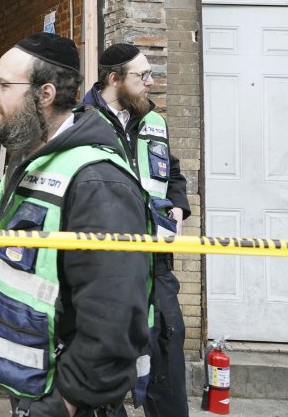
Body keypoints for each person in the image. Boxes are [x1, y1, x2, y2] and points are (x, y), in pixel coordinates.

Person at [0, 33, 151, 417]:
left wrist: (63, 404)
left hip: (70, 401)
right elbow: (16, 267)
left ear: (46, 94)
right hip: (35, 388)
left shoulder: (95, 182)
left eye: (2, 85)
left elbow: (114, 317)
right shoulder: (28, 163)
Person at [81, 44, 190, 417]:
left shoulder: (153, 121)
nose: (151, 82)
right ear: (114, 79)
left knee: (167, 350)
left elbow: (173, 174)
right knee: (106, 363)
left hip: (155, 262)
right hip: (102, 267)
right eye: (142, 76)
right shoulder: (79, 123)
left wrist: (178, 206)